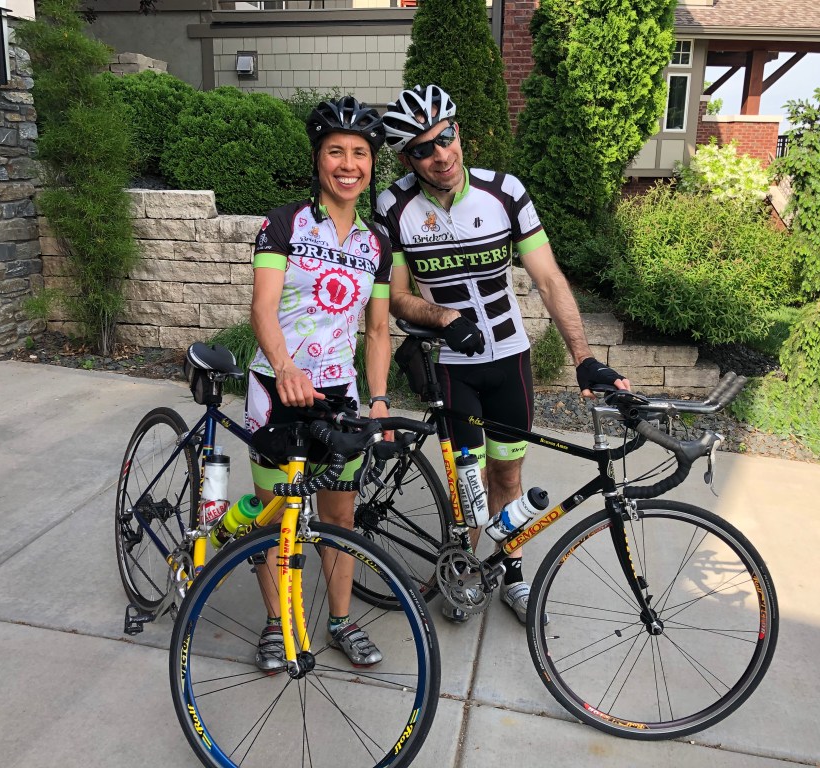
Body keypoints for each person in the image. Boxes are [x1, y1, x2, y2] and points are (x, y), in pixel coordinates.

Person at [376, 84, 630, 625]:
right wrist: (444, 318)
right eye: (423, 148)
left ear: (458, 132)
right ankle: (465, 570)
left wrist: (583, 357)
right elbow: (397, 296)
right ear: (406, 159)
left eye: (446, 137)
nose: (441, 154)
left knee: (508, 477)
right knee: (468, 487)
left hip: (509, 360)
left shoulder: (504, 192)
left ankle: (510, 571)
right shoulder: (393, 206)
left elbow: (549, 278)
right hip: (452, 367)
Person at [246, 96, 392, 670]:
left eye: (360, 153)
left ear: (371, 164)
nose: (348, 164)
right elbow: (262, 308)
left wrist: (378, 399)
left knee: (339, 517)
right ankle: (276, 623)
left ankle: (340, 620)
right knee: (272, 517)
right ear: (317, 158)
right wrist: (285, 367)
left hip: (339, 395)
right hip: (276, 389)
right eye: (336, 151)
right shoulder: (283, 223)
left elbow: (376, 330)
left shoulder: (377, 243)